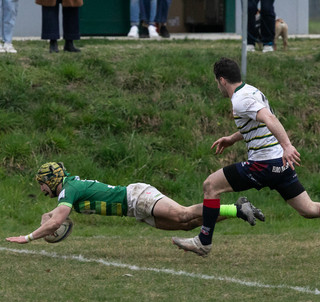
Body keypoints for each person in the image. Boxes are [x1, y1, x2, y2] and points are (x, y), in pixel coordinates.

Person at [172, 57, 320, 257]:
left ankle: (203, 242)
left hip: (263, 164)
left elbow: (269, 118)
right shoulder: (251, 90)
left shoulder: (241, 100)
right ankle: (203, 241)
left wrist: (287, 146)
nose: (218, 87)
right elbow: (258, 124)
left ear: (222, 80)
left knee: (210, 186)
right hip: (281, 165)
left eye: (217, 83)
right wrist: (233, 138)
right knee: (309, 209)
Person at [6, 161, 264, 244]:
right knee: (187, 226)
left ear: (51, 180)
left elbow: (60, 219)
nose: (40, 188)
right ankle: (238, 211)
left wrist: (28, 237)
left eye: (41, 182)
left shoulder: (69, 189)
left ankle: (237, 208)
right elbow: (56, 215)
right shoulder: (68, 191)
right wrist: (46, 219)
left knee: (185, 214)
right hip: (134, 210)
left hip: (137, 197)